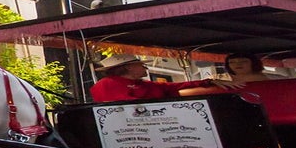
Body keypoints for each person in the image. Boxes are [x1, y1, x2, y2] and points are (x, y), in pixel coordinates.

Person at [90, 54, 241, 103]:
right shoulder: (106, 84)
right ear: (129, 67)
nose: (146, 68)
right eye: (141, 65)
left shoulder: (144, 84)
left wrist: (208, 81)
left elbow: (174, 87)